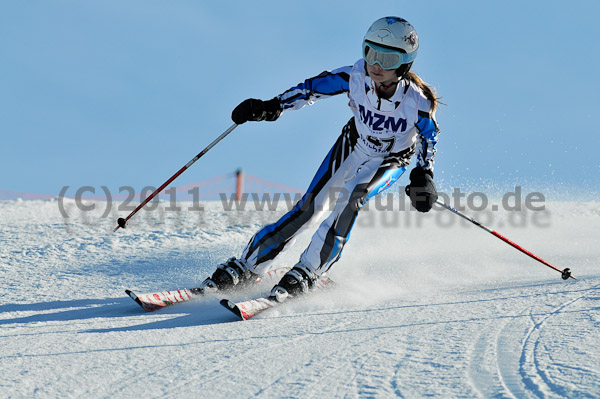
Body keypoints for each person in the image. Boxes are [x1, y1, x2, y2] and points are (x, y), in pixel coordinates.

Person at [200, 16, 440, 301]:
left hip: (392, 158)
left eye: (387, 59)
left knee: (353, 197)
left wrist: (424, 174)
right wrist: (272, 106)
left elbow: (429, 136)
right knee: (311, 206)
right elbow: (310, 88)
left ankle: (310, 269)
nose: (376, 65)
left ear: (404, 63)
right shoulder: (355, 76)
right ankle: (249, 264)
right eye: (371, 53)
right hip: (354, 145)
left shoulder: (418, 100)